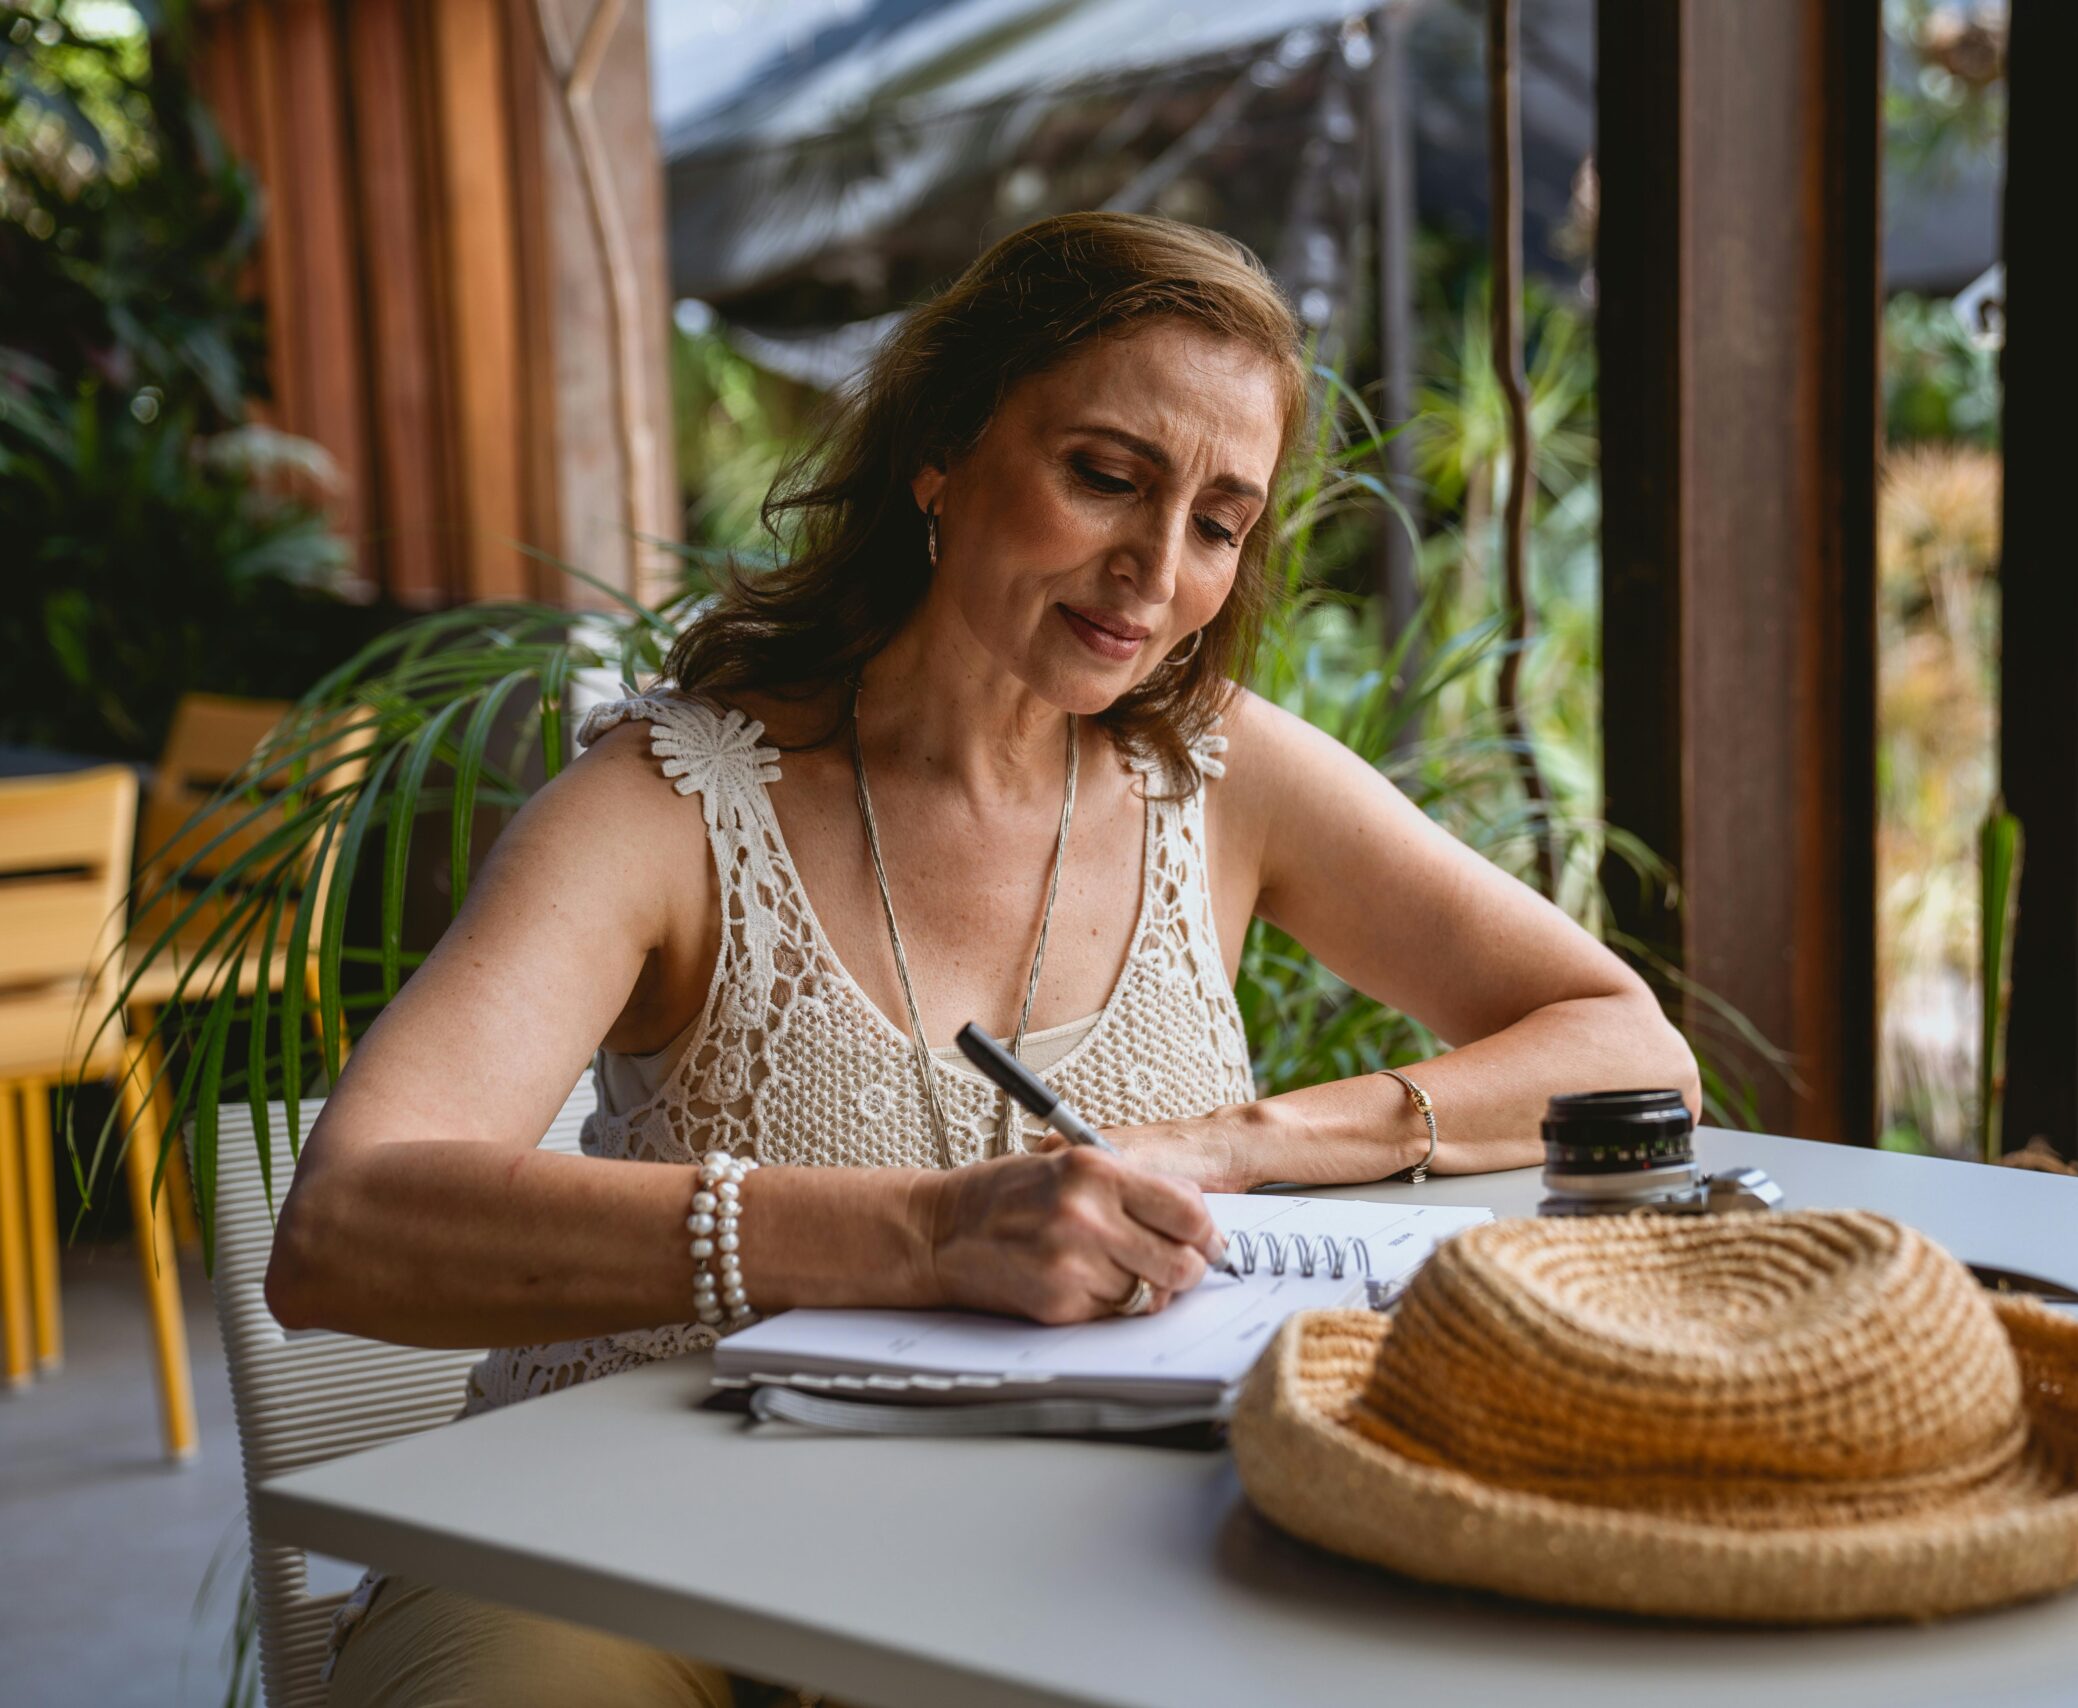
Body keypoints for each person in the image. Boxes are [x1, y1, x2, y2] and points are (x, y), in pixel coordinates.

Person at [272, 211, 1697, 1707]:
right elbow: (345, 1229)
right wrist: (928, 1234)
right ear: (940, 453)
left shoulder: (1223, 777)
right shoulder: (673, 802)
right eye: (1105, 477)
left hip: (1049, 1552)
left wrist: (1248, 1141)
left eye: (1218, 521)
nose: (1153, 571)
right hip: (609, 1547)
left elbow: (1623, 1041)